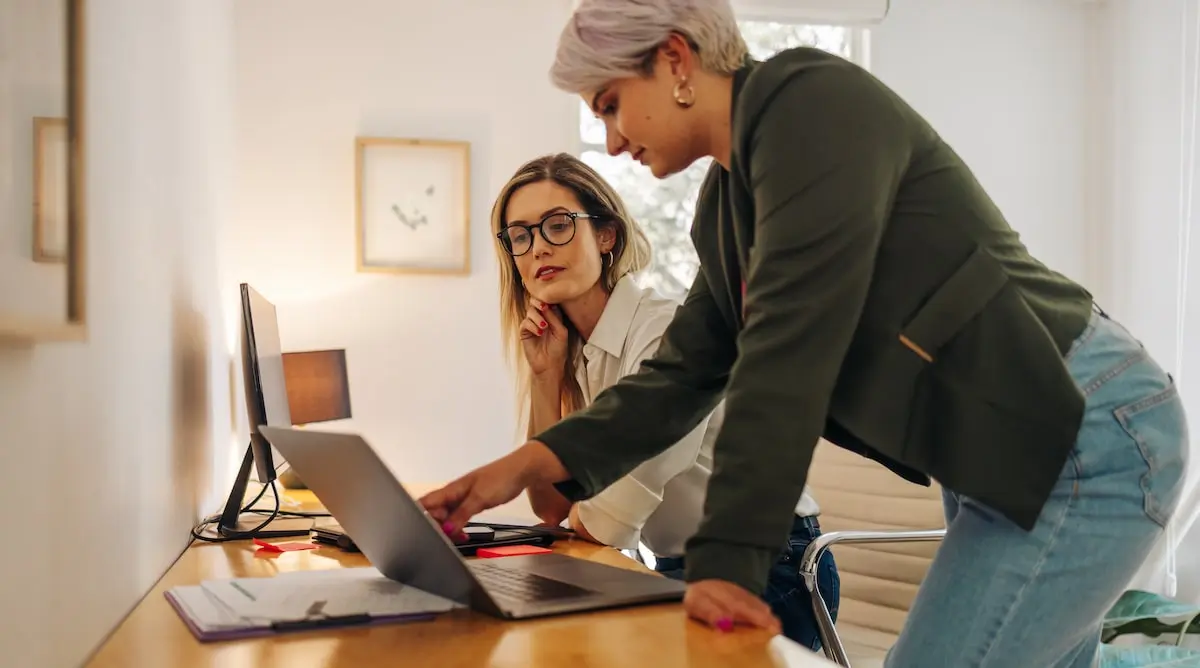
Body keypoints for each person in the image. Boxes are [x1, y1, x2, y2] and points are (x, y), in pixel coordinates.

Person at [422, 1, 1190, 665]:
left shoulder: (810, 107)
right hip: (1004, 448)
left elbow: (789, 346)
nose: (613, 139)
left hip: (1087, 432)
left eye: (611, 103)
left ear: (677, 61)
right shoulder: (724, 207)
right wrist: (516, 468)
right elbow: (682, 376)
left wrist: (730, 562)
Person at [489, 152, 839, 649]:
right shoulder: (578, 354)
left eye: (558, 226)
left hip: (773, 572)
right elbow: (551, 506)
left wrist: (578, 510)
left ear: (606, 235)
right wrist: (545, 379)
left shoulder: (666, 333)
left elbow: (608, 518)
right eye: (521, 235)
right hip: (677, 571)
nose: (539, 248)